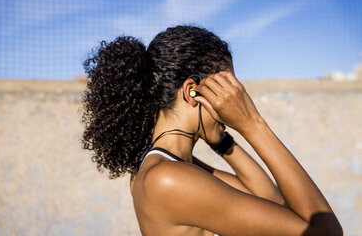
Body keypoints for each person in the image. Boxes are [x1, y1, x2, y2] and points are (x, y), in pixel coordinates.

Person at [81, 25, 343, 236]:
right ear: (191, 91)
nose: (234, 99)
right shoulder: (166, 178)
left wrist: (222, 141)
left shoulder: (173, 165)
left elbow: (269, 198)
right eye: (228, 87)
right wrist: (252, 123)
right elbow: (325, 232)